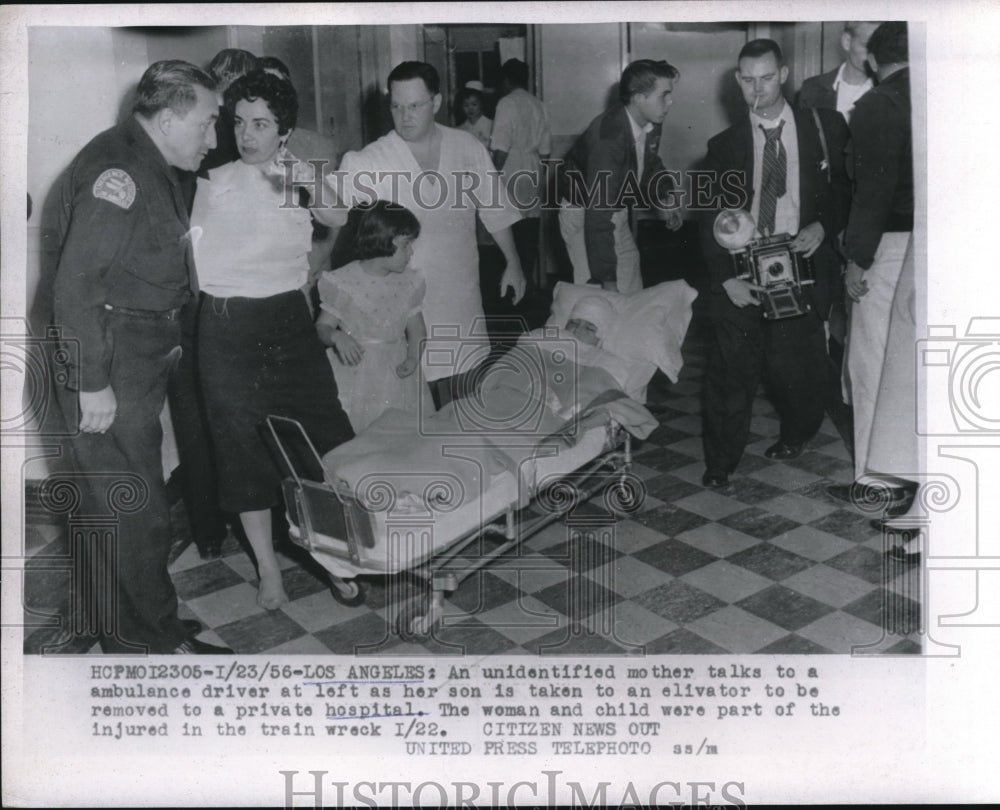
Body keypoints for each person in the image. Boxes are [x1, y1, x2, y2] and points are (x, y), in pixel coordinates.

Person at [51, 60, 231, 654]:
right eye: (207, 123)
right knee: (135, 510)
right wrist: (91, 382)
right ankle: (150, 649)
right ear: (172, 116)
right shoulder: (119, 171)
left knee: (125, 504)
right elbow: (78, 284)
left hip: (134, 354)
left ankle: (142, 627)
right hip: (111, 359)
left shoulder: (149, 160)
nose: (212, 138)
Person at [192, 71, 354, 610]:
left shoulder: (298, 176)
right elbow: (192, 260)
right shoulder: (212, 182)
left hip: (287, 321)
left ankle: (336, 557)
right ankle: (268, 571)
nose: (248, 134)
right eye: (240, 122)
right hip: (227, 328)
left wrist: (300, 172)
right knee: (241, 452)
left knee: (321, 440)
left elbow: (336, 213)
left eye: (261, 124)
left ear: (284, 130)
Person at [699, 39, 850, 488]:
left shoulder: (825, 126)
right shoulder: (723, 145)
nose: (757, 89)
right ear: (737, 81)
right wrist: (726, 280)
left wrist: (823, 225)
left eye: (766, 78)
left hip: (800, 264)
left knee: (797, 369)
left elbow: (846, 191)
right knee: (730, 370)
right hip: (743, 269)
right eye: (747, 80)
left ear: (784, 75)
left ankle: (797, 433)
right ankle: (720, 462)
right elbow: (709, 218)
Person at [331, 61, 525, 409]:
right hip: (400, 299)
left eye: (414, 106)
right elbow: (332, 208)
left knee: (465, 391)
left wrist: (513, 263)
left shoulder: (467, 147)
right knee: (413, 397)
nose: (404, 116)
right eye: (396, 106)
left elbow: (495, 209)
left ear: (435, 103)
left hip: (459, 291)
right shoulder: (373, 159)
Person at [826, 23, 915, 515]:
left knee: (871, 368)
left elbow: (873, 195)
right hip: (933, 248)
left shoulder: (879, 105)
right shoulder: (939, 95)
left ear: (874, 62)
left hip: (889, 250)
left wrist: (856, 260)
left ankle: (878, 485)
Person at [558, 59, 683, 294]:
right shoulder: (608, 142)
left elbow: (649, 163)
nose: (670, 102)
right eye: (663, 95)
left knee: (631, 287)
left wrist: (666, 195)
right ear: (638, 97)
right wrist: (607, 280)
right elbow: (597, 219)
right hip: (586, 215)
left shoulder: (649, 121)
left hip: (614, 209)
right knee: (597, 301)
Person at [316, 201, 434, 432]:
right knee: (359, 434)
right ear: (382, 240)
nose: (411, 252)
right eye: (406, 245)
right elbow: (321, 327)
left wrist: (412, 358)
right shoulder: (343, 281)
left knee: (401, 434)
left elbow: (417, 330)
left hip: (396, 374)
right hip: (356, 374)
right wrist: (337, 337)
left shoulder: (409, 282)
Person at [491, 58, 552, 284]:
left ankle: (510, 288)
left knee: (508, 229)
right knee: (528, 231)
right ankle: (526, 284)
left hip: (511, 169)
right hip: (533, 169)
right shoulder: (538, 104)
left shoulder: (506, 103)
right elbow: (546, 150)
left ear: (506, 80)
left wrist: (492, 176)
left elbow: (501, 146)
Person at [797, 22, 881, 124]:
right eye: (868, 46)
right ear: (847, 41)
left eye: (881, 47)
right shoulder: (811, 89)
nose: (876, 55)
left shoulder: (888, 91)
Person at [456, 83, 493, 148]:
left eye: (474, 104)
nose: (470, 109)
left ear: (481, 104)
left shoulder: (492, 126)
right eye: (466, 105)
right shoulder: (459, 130)